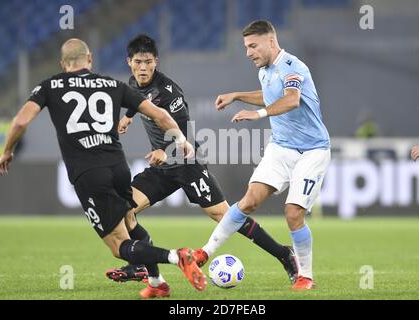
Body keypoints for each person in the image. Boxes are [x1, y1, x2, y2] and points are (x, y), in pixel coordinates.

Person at [0, 38, 206, 299]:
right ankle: (157, 283)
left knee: (119, 245)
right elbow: (160, 115)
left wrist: (7, 151)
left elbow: (20, 121)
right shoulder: (112, 84)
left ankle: (177, 257)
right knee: (130, 221)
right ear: (90, 59)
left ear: (63, 64)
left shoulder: (51, 85)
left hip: (88, 172)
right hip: (118, 166)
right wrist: (182, 141)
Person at [104, 34, 298, 297]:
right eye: (138, 62)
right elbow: (137, 101)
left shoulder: (168, 92)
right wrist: (127, 117)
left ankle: (283, 253)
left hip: (186, 164)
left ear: (156, 61)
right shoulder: (133, 83)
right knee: (124, 211)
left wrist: (164, 148)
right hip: (161, 170)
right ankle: (142, 267)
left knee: (226, 216)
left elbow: (183, 129)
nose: (143, 68)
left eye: (148, 62)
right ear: (129, 62)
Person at [195, 20, 331, 291]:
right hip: (281, 148)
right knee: (248, 202)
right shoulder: (265, 71)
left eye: (253, 46)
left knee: (293, 213)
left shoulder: (294, 67)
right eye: (246, 47)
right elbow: (270, 95)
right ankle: (204, 253)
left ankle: (305, 276)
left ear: (271, 41)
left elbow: (291, 99)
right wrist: (237, 95)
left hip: (311, 151)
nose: (248, 53)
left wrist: (256, 115)